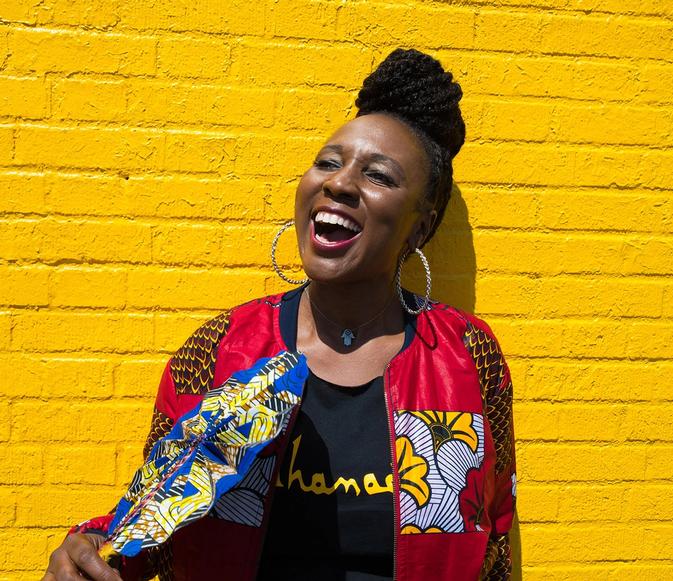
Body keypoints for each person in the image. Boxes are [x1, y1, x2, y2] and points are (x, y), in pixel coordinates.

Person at [42, 48, 516, 581]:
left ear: (420, 228)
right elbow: (158, 517)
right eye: (328, 162)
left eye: (378, 175)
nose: (339, 183)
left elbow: (493, 540)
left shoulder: (466, 355)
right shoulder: (221, 349)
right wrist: (93, 551)